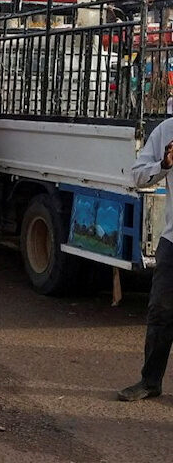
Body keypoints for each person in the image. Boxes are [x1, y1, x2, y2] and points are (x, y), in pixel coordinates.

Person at [119, 117, 173, 401]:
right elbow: (137, 176)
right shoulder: (166, 130)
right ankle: (150, 381)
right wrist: (164, 165)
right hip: (172, 240)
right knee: (161, 312)